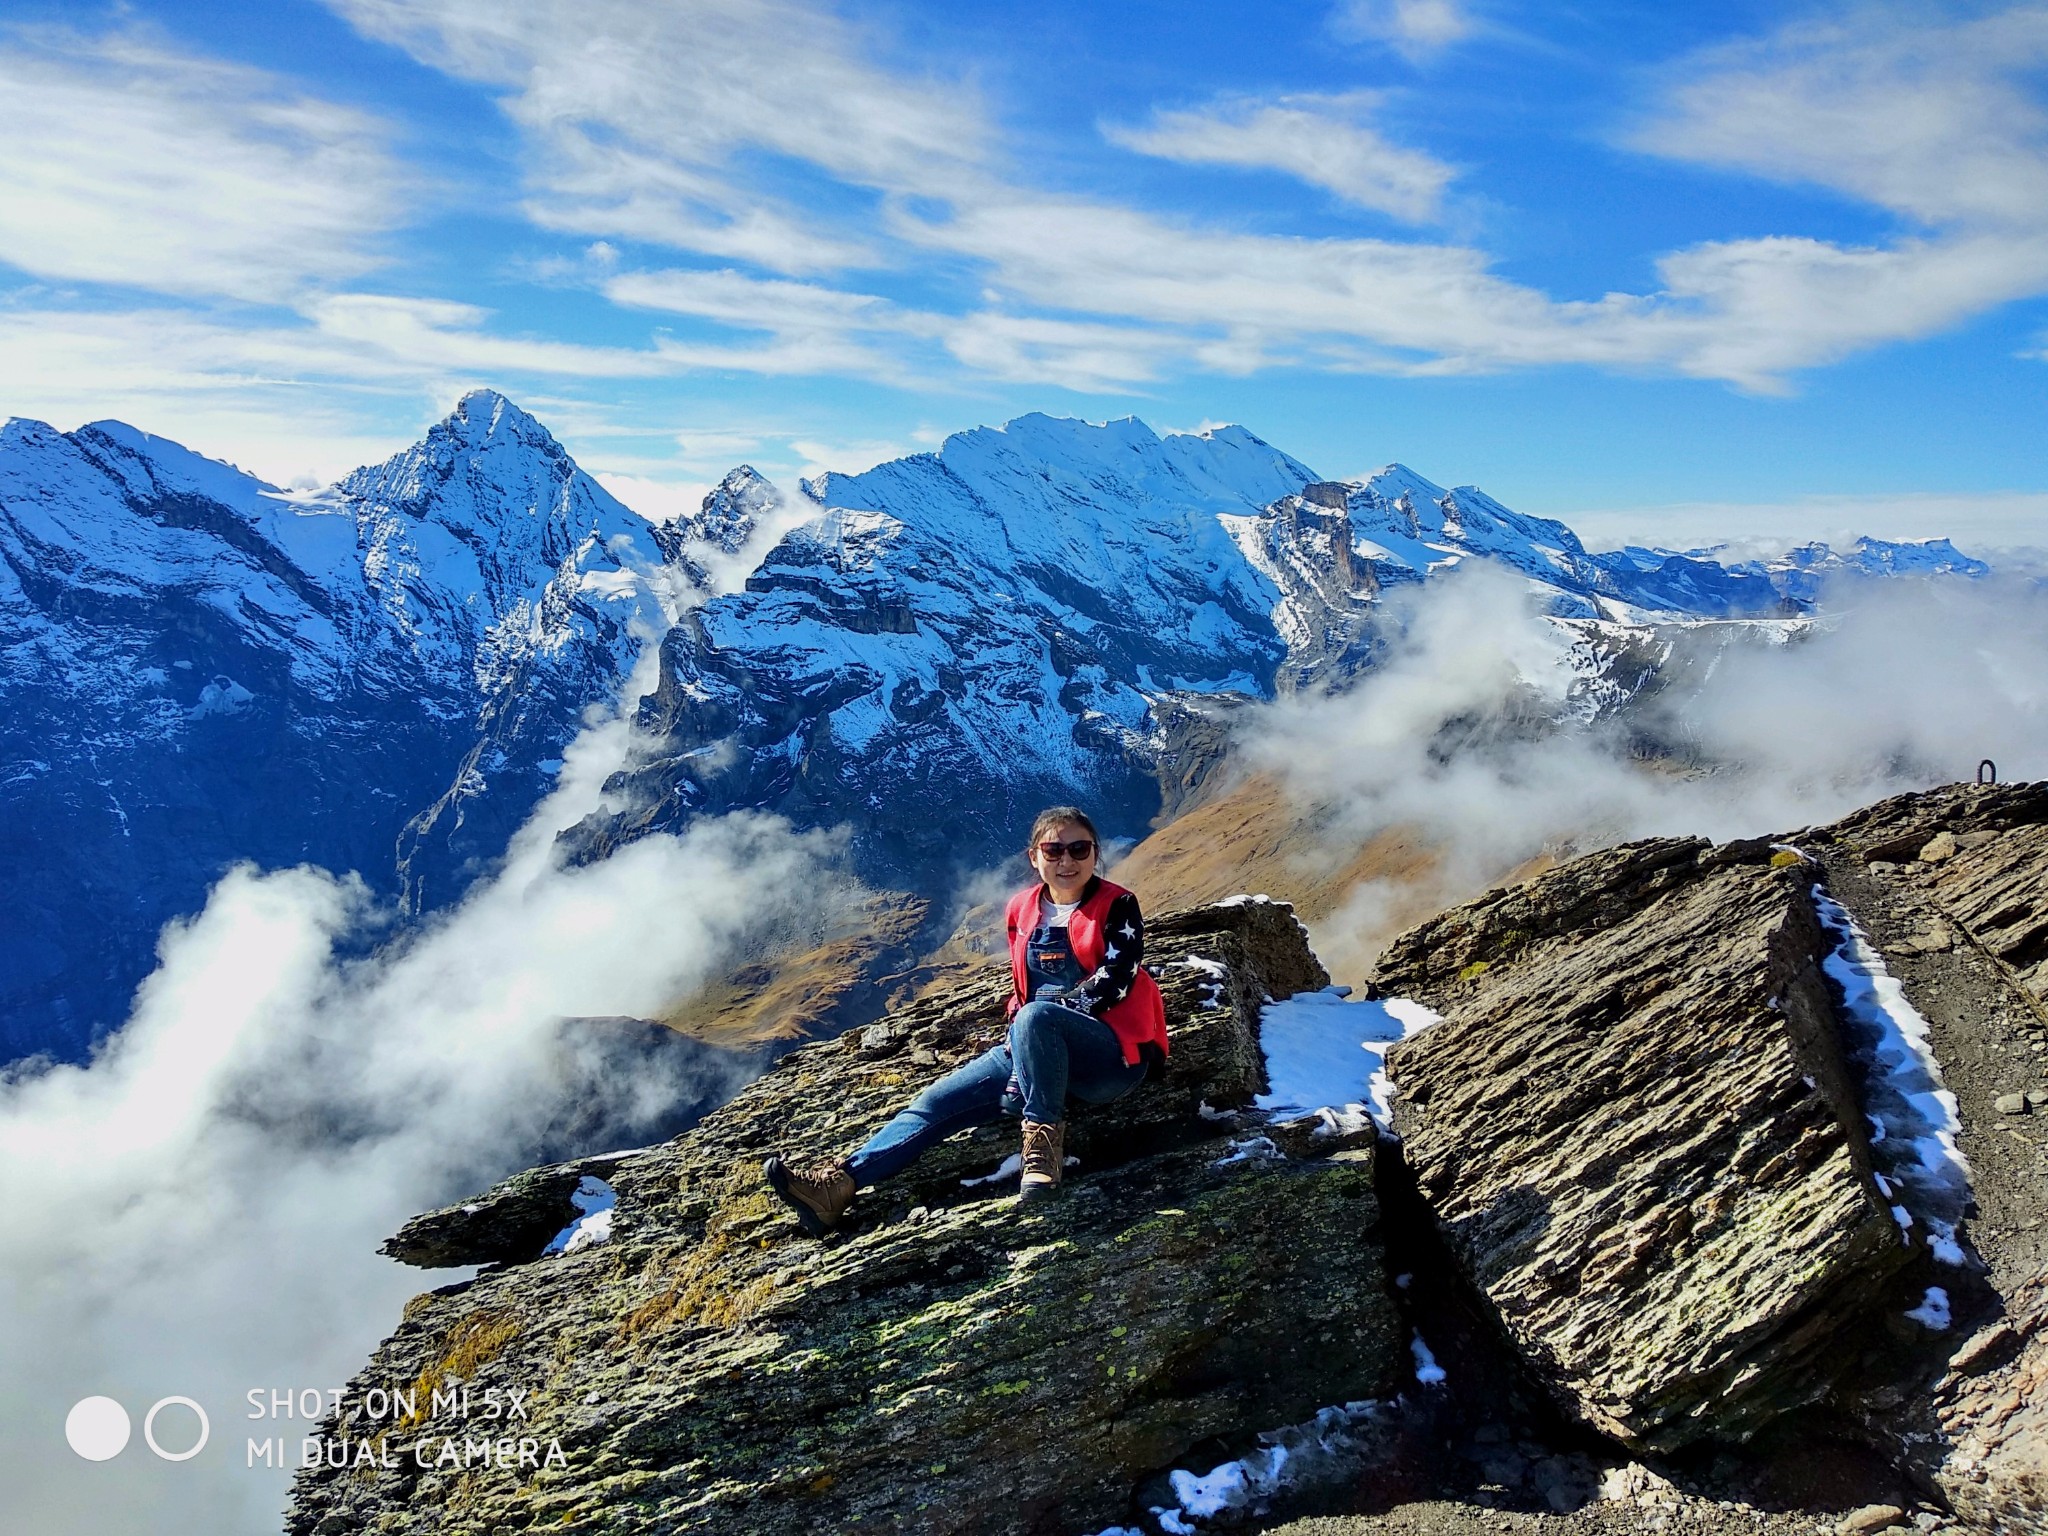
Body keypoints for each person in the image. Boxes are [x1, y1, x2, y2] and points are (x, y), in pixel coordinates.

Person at [763, 806, 1169, 1236]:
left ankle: (1042, 1152)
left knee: (1036, 1017)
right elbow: (1024, 986)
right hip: (1033, 1041)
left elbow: (1116, 980)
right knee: (933, 1104)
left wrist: (1036, 1038)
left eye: (1079, 849)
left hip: (1107, 1055)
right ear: (1034, 857)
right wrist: (1026, 1056)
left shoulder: (1118, 904)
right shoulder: (1021, 908)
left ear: (1094, 854)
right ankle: (839, 1186)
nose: (1066, 860)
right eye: (1053, 850)